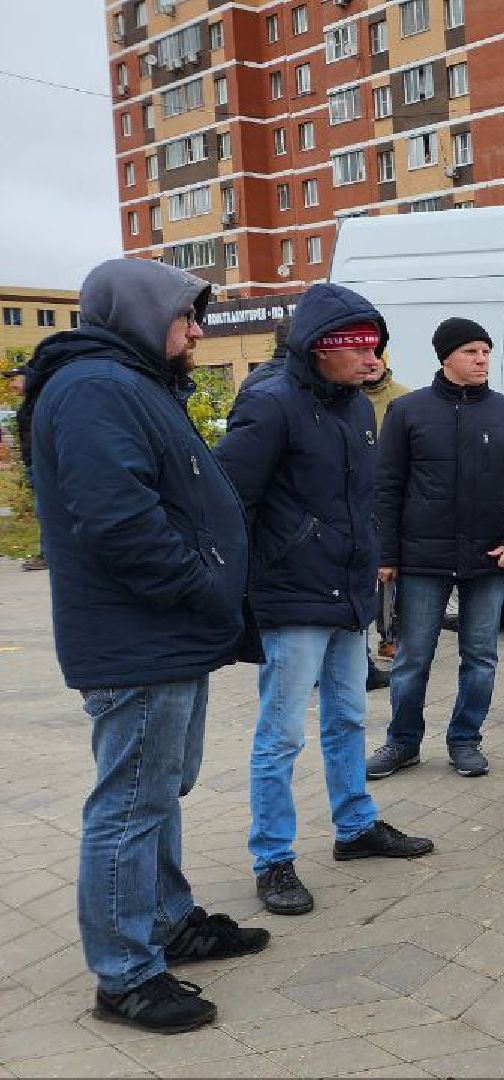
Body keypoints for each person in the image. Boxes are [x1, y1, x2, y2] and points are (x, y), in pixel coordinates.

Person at [20, 258, 268, 1034]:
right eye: (185, 316)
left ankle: (166, 921)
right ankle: (125, 974)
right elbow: (117, 520)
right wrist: (202, 584)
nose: (196, 331)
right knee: (129, 803)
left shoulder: (131, 381)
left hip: (165, 631)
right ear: (138, 314)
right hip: (140, 634)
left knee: (156, 790)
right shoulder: (95, 387)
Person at [216, 284, 436, 918]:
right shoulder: (270, 404)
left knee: (348, 719)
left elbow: (361, 499)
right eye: (359, 347)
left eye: (376, 346)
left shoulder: (357, 408)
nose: (373, 359)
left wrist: (374, 560)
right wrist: (245, 582)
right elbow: (229, 500)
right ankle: (272, 858)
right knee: (281, 735)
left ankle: (355, 826)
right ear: (319, 348)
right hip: (292, 597)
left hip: (349, 593)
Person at [366, 318, 504, 781]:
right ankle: (402, 741)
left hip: (488, 558)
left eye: (486, 352)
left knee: (481, 657)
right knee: (412, 658)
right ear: (446, 357)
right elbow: (387, 486)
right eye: (471, 351)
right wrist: (386, 555)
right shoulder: (407, 411)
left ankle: (465, 739)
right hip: (422, 559)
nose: (481, 360)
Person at [361, 352, 409, 686]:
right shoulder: (346, 397)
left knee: (388, 575)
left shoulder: (402, 398)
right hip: (356, 495)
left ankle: (390, 635)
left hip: (389, 496)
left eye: (377, 356)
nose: (372, 362)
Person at [6, 363, 47, 571]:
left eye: (16, 379)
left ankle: (48, 555)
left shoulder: (39, 401)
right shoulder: (30, 402)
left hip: (42, 464)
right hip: (34, 463)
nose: (12, 384)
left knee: (45, 510)